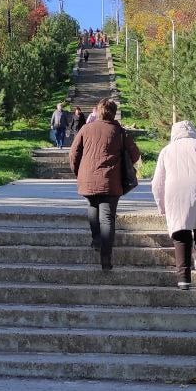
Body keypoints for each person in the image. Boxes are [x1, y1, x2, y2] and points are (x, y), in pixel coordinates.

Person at [151, 120, 196, 290]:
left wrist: (162, 205)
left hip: (175, 192)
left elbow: (157, 182)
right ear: (194, 131)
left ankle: (183, 278)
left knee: (181, 230)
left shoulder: (166, 151)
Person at [69, 99, 140, 272]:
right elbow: (135, 155)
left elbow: (73, 153)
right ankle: (106, 259)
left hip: (88, 179)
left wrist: (79, 172)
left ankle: (96, 239)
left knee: (92, 206)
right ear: (114, 113)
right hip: (111, 180)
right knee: (107, 218)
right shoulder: (120, 132)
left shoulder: (86, 129)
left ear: (99, 112)